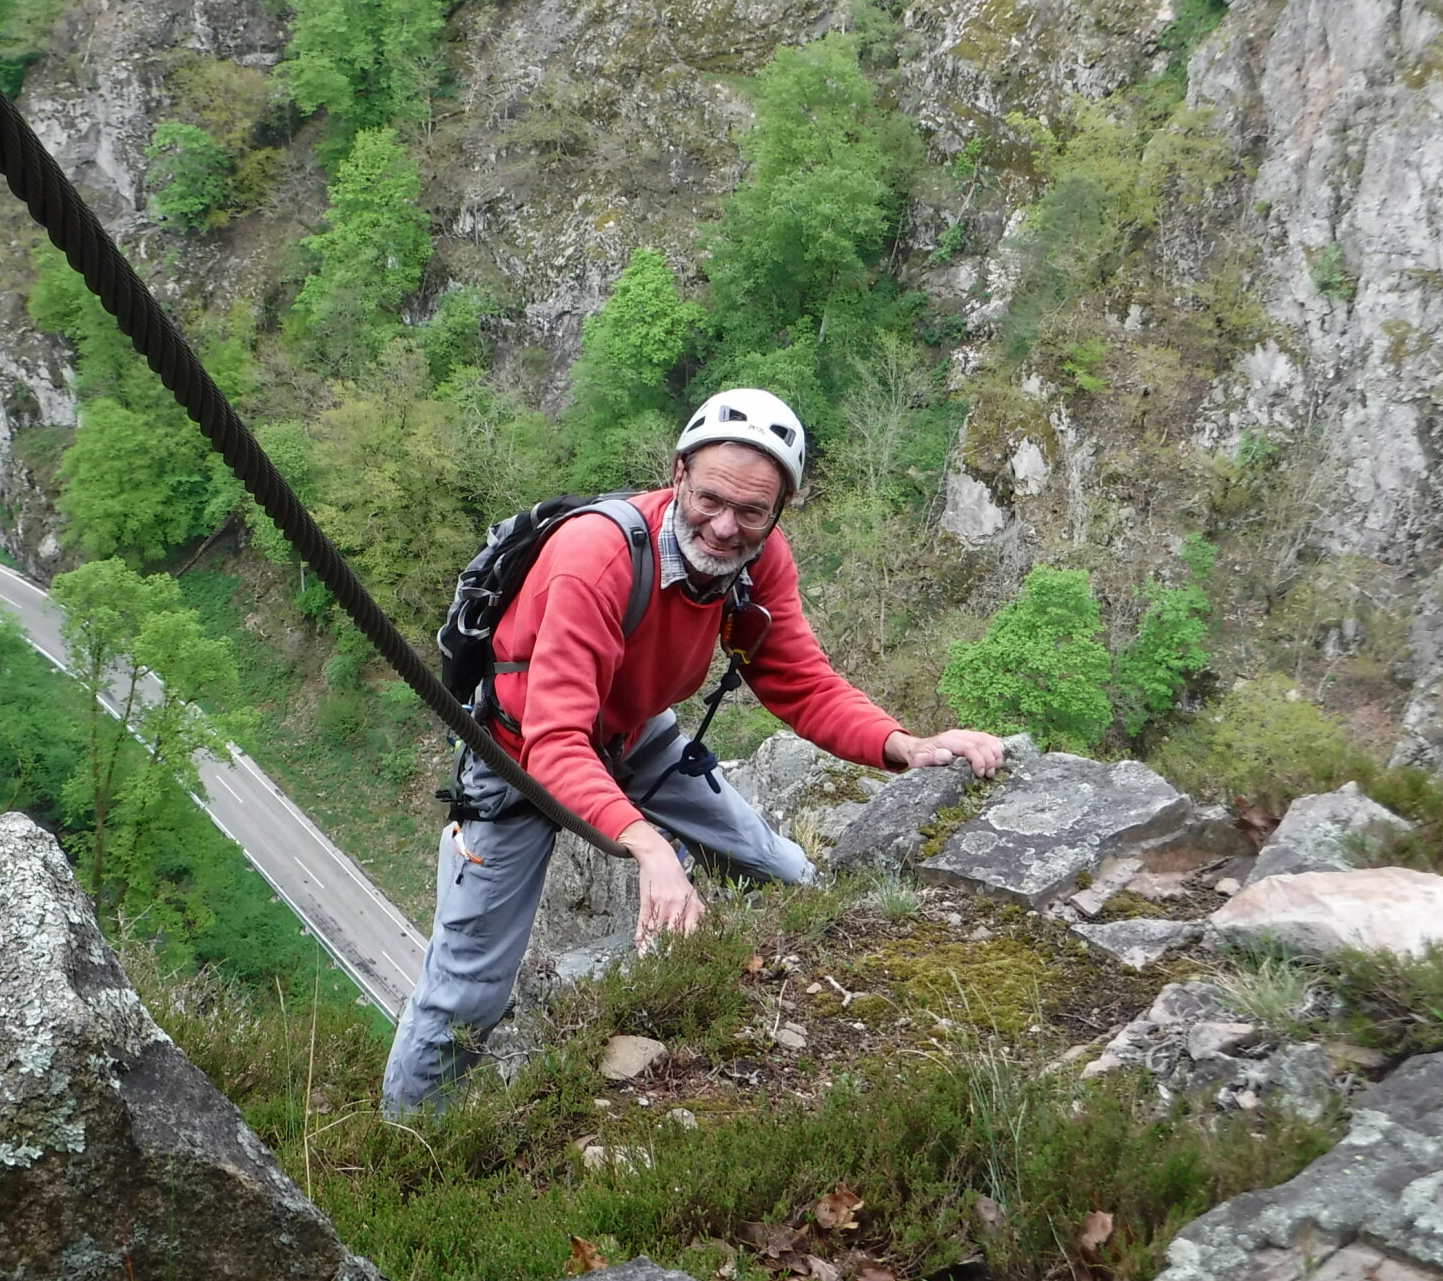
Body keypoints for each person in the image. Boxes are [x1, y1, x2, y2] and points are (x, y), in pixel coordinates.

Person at [382, 387, 1007, 1115]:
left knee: (787, 873)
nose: (725, 527)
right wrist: (652, 850)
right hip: (517, 756)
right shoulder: (596, 557)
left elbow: (800, 681)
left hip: (634, 734)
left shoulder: (758, 561)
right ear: (677, 474)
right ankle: (407, 1142)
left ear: (780, 510)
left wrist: (906, 743)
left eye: (752, 511)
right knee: (467, 992)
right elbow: (555, 742)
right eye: (710, 498)